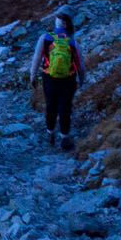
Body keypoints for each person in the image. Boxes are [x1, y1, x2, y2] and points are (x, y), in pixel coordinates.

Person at [27, 9, 85, 150]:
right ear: (66, 25)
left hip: (49, 77)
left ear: (56, 24)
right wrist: (81, 80)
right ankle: (64, 137)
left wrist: (32, 76)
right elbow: (80, 65)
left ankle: (50, 133)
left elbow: (36, 58)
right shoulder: (72, 41)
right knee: (65, 106)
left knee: (51, 105)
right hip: (68, 79)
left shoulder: (45, 38)